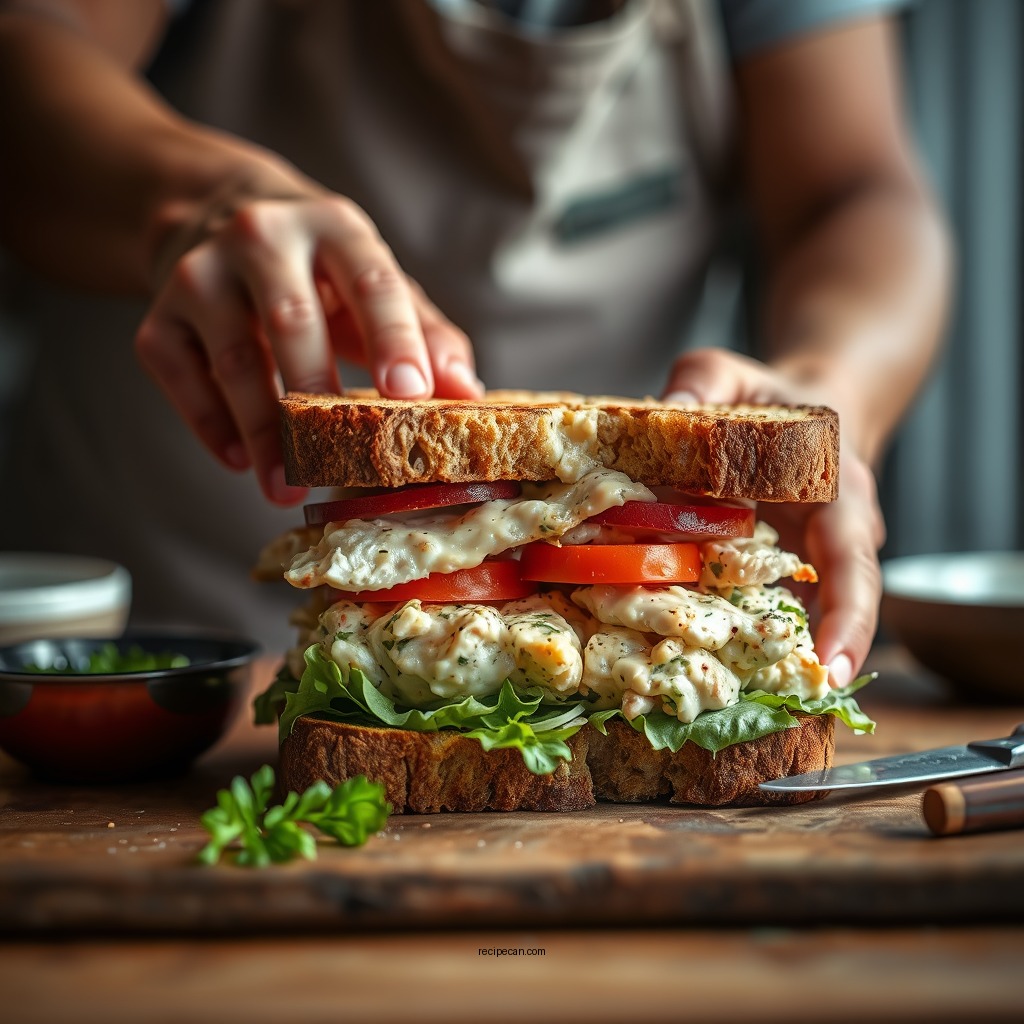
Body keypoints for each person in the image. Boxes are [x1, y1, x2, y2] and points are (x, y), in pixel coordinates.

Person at [0, 0, 950, 682]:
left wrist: (827, 389)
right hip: (142, 631)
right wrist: (188, 199)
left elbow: (856, 192)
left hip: (631, 520)